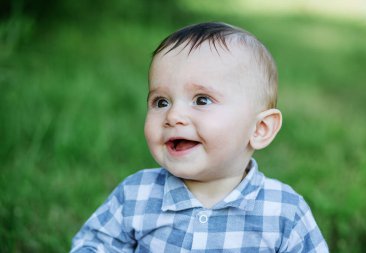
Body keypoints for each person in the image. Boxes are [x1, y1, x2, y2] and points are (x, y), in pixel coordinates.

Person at [71, 22, 329, 252]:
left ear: (259, 129)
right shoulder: (137, 195)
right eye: (161, 102)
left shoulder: (284, 212)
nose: (173, 115)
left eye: (202, 100)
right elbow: (94, 244)